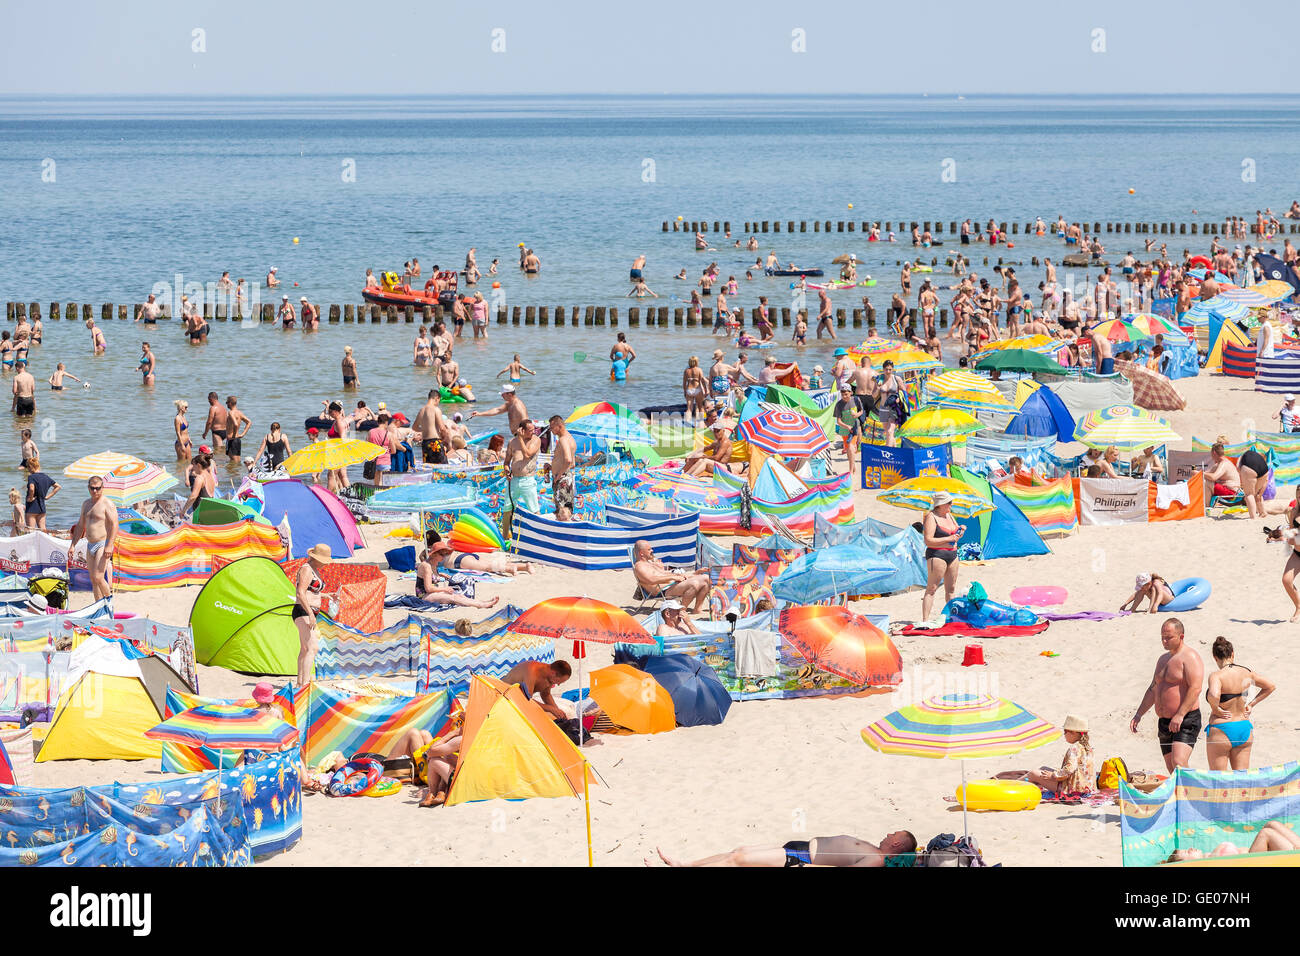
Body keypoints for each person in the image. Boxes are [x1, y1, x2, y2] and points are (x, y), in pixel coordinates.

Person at [1131, 618, 1205, 771]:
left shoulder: (1190, 657)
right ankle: (1180, 795)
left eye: (1168, 637)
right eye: (1162, 637)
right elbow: (1153, 689)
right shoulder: (1162, 660)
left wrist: (1180, 714)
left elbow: (1195, 688)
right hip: (1164, 721)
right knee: (1171, 769)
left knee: (1179, 762)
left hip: (1185, 719)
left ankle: (1190, 794)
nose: (1164, 641)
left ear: (1181, 636)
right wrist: (1139, 714)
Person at [650, 831, 918, 868]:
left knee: (738, 859)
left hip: (800, 858)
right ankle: (686, 865)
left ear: (897, 843)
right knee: (738, 850)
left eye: (894, 833)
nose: (888, 833)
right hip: (798, 848)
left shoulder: (877, 860)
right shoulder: (874, 849)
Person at [1204, 636, 1275, 772]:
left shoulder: (1217, 676)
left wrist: (1216, 708)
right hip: (1243, 727)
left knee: (1219, 779)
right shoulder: (1247, 672)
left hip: (1221, 729)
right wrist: (1251, 704)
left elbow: (1213, 695)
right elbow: (1270, 686)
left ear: (1215, 657)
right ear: (1232, 654)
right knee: (1242, 778)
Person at [70, 475, 117, 599]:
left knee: (98, 577)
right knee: (93, 579)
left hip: (102, 543)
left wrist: (109, 545)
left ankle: (108, 603)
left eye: (97, 488)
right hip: (90, 544)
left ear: (102, 488)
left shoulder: (107, 504)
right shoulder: (86, 504)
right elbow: (80, 525)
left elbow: (114, 526)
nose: (95, 491)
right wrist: (73, 545)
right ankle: (98, 606)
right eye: (92, 488)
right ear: (88, 488)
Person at [1022, 715, 1095, 795]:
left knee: (1033, 774)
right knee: (1043, 768)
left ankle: (1013, 785)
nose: (1064, 735)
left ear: (1073, 733)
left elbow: (1068, 770)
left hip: (1073, 790)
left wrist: (1053, 776)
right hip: (1086, 787)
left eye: (1065, 732)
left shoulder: (1074, 748)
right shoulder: (1087, 747)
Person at [632, 539, 709, 614]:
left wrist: (695, 574)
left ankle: (697, 609)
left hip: (672, 585)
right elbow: (651, 579)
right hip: (663, 591)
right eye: (649, 549)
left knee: (706, 578)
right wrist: (673, 578)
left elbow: (666, 573)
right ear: (641, 553)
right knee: (694, 584)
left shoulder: (650, 564)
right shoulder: (640, 566)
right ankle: (681, 611)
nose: (652, 551)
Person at [416, 543, 508, 604]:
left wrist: (440, 575)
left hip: (430, 594)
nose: (444, 557)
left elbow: (429, 578)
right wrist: (444, 589)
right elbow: (428, 588)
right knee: (454, 598)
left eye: (445, 555)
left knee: (459, 595)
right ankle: (482, 605)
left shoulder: (433, 565)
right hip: (424, 596)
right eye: (442, 555)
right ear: (434, 554)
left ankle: (482, 602)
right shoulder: (426, 566)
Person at [292, 543, 331, 686]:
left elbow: (312, 591)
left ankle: (299, 683)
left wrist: (327, 595)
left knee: (305, 648)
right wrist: (310, 613)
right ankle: (305, 684)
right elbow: (300, 593)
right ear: (317, 558)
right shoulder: (306, 569)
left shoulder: (313, 569)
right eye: (324, 560)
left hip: (308, 611)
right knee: (312, 648)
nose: (325, 564)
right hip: (303, 610)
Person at [921, 491, 963, 620]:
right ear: (941, 504)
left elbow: (955, 534)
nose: (951, 505)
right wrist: (948, 538)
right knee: (931, 589)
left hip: (953, 554)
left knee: (951, 590)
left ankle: (953, 618)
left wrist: (960, 531)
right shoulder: (931, 517)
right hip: (937, 555)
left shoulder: (949, 515)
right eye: (949, 502)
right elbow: (928, 540)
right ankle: (925, 620)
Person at [1167, 822, 1300, 862]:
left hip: (1254, 856)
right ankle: (1297, 853)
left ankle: (1297, 848)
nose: (1190, 848)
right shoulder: (1207, 863)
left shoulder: (1208, 856)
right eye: (1186, 852)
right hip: (1253, 862)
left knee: (1271, 825)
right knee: (1266, 834)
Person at [503, 659, 572, 719]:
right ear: (553, 673)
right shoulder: (532, 671)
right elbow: (526, 700)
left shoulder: (550, 677)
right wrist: (551, 709)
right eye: (558, 681)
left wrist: (558, 712)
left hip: (517, 699)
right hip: (503, 695)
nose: (558, 684)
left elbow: (546, 694)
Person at [505, 417, 542, 515]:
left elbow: (527, 454)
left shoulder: (536, 440)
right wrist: (507, 471)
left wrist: (520, 438)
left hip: (527, 479)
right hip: (513, 480)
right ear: (522, 430)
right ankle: (505, 531)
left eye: (534, 430)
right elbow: (506, 462)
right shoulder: (512, 442)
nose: (533, 432)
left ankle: (539, 529)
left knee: (534, 510)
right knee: (507, 508)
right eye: (530, 431)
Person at [548, 415, 577, 522]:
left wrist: (558, 476)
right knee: (566, 509)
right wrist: (552, 467)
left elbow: (568, 460)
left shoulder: (563, 440)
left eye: (552, 427)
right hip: (567, 476)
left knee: (563, 510)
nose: (550, 430)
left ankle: (565, 534)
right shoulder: (571, 438)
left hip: (562, 478)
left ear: (559, 426)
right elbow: (573, 463)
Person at [833, 384, 865, 477]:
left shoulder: (856, 400)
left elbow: (861, 411)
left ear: (851, 393)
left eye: (846, 394)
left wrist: (857, 415)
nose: (844, 396)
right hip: (844, 428)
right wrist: (847, 427)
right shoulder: (839, 405)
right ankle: (853, 465)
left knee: (851, 446)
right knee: (848, 449)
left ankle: (850, 471)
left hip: (854, 426)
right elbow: (838, 421)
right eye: (843, 395)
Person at [23, 453, 59, 532]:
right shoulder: (46, 476)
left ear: (31, 467)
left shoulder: (31, 477)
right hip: (42, 507)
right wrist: (48, 497)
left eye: (28, 468)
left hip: (32, 508)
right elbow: (58, 486)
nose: (28, 470)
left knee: (30, 531)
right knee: (43, 531)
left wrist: (31, 497)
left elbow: (32, 488)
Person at [1237, 444, 1270, 519]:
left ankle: (1253, 517)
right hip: (1264, 469)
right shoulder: (1255, 456)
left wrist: (1243, 482)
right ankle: (1262, 512)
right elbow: (1266, 481)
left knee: (1249, 494)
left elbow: (1238, 468)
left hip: (1249, 468)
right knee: (1256, 493)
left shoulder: (1241, 458)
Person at [224, 396, 251, 462]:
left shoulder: (231, 412)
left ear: (230, 403)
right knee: (236, 461)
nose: (226, 404)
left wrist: (233, 435)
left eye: (227, 402)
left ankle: (234, 472)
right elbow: (249, 422)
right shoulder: (239, 413)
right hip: (237, 439)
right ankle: (236, 472)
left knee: (234, 461)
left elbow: (235, 424)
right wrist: (242, 434)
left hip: (232, 439)